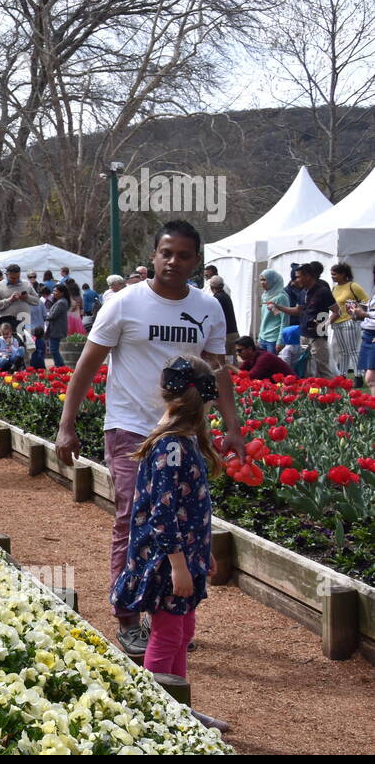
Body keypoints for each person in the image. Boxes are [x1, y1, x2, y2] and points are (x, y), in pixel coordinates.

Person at [56, 220, 244, 660]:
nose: (173, 262)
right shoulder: (124, 304)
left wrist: (232, 426)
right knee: (131, 517)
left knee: (181, 519)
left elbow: (218, 371)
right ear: (154, 255)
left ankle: (166, 614)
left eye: (182, 255)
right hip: (131, 429)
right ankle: (127, 616)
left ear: (195, 260)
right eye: (166, 253)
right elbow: (87, 364)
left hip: (186, 432)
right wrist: (68, 423)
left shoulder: (208, 308)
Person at [110, 355, 228, 733]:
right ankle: (154, 709)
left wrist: (201, 552)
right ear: (203, 401)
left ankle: (179, 705)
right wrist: (178, 563)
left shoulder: (182, 441)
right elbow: (163, 514)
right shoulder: (171, 446)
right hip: (165, 559)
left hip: (184, 553)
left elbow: (185, 507)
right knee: (168, 632)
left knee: (183, 630)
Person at [275, 262, 335, 378]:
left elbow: (337, 311)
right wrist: (279, 307)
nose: (296, 280)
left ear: (307, 276)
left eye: (298, 277)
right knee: (307, 367)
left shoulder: (323, 291)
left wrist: (324, 324)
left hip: (318, 337)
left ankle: (333, 395)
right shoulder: (303, 292)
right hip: (304, 336)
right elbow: (298, 310)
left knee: (323, 368)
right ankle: (314, 394)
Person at [328, 262, 366, 378]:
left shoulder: (353, 286)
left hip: (350, 321)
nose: (332, 276)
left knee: (353, 350)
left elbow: (365, 301)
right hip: (338, 322)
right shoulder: (334, 288)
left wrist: (358, 312)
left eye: (334, 274)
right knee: (343, 351)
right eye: (331, 274)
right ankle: (342, 375)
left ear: (343, 274)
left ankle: (358, 375)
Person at [0, 263, 37, 337]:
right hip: (7, 324)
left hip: (25, 322)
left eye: (18, 277)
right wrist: (9, 300)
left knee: (26, 345)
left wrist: (27, 297)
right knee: (9, 346)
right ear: (6, 275)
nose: (15, 280)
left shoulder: (27, 284)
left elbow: (37, 301)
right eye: (12, 278)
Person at [256, 269, 289, 354]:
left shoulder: (281, 297)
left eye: (265, 280)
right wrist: (259, 337)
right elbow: (263, 318)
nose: (262, 282)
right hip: (263, 338)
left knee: (273, 366)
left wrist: (280, 341)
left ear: (272, 280)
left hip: (274, 340)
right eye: (261, 280)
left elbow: (285, 321)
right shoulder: (265, 295)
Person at [207, 275, 237, 354]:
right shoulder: (226, 296)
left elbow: (213, 318)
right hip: (233, 332)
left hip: (225, 334)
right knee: (231, 360)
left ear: (211, 287)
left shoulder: (216, 299)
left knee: (223, 361)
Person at [45, 284, 70, 366]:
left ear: (62, 293)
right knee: (55, 349)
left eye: (56, 291)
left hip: (57, 329)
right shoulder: (61, 301)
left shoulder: (61, 302)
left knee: (54, 349)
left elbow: (53, 316)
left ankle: (60, 366)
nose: (53, 293)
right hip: (57, 328)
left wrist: (45, 316)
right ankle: (59, 365)